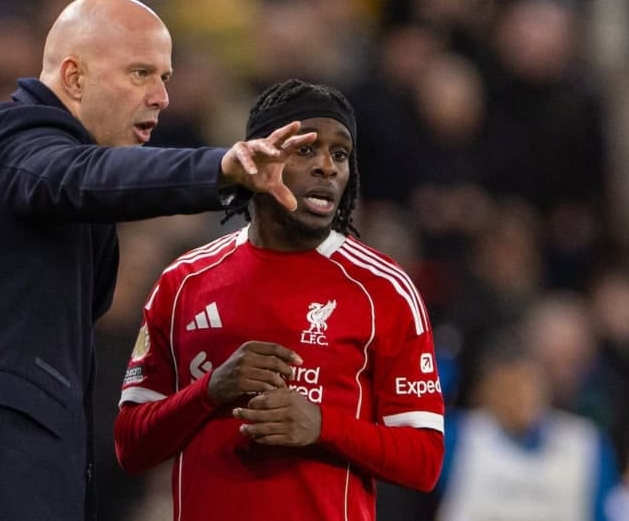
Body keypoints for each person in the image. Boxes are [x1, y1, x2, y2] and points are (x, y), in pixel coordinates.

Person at [0, 0, 315, 521]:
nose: (161, 98)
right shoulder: (6, 134)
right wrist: (224, 169)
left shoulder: (69, 197)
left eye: (166, 77)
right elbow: (80, 178)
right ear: (75, 78)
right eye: (141, 73)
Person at [114, 79, 445, 520]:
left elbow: (424, 460)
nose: (328, 166)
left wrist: (322, 426)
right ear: (257, 159)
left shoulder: (384, 289)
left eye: (340, 154)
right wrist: (209, 392)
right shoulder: (184, 281)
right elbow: (130, 446)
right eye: (306, 149)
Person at [435, 332, 620, 521]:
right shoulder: (458, 437)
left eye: (529, 385)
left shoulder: (587, 444)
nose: (521, 399)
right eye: (509, 389)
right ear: (486, 392)